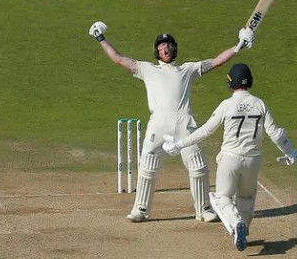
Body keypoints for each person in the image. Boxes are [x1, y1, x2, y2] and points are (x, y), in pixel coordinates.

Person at [88, 21, 255, 223]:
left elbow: (216, 62)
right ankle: (141, 209)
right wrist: (100, 38)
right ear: (157, 52)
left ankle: (204, 209)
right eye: (161, 46)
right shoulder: (146, 69)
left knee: (199, 167)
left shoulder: (188, 69)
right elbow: (119, 59)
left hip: (185, 124)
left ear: (173, 49)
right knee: (147, 166)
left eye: (168, 45)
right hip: (158, 125)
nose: (165, 48)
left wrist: (238, 46)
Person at [162, 63, 297, 252]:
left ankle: (236, 224)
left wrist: (178, 145)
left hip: (230, 159)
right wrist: (290, 152)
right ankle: (243, 231)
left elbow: (206, 131)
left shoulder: (226, 105)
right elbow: (275, 133)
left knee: (222, 198)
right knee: (247, 198)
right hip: (253, 160)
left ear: (230, 83)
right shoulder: (259, 104)